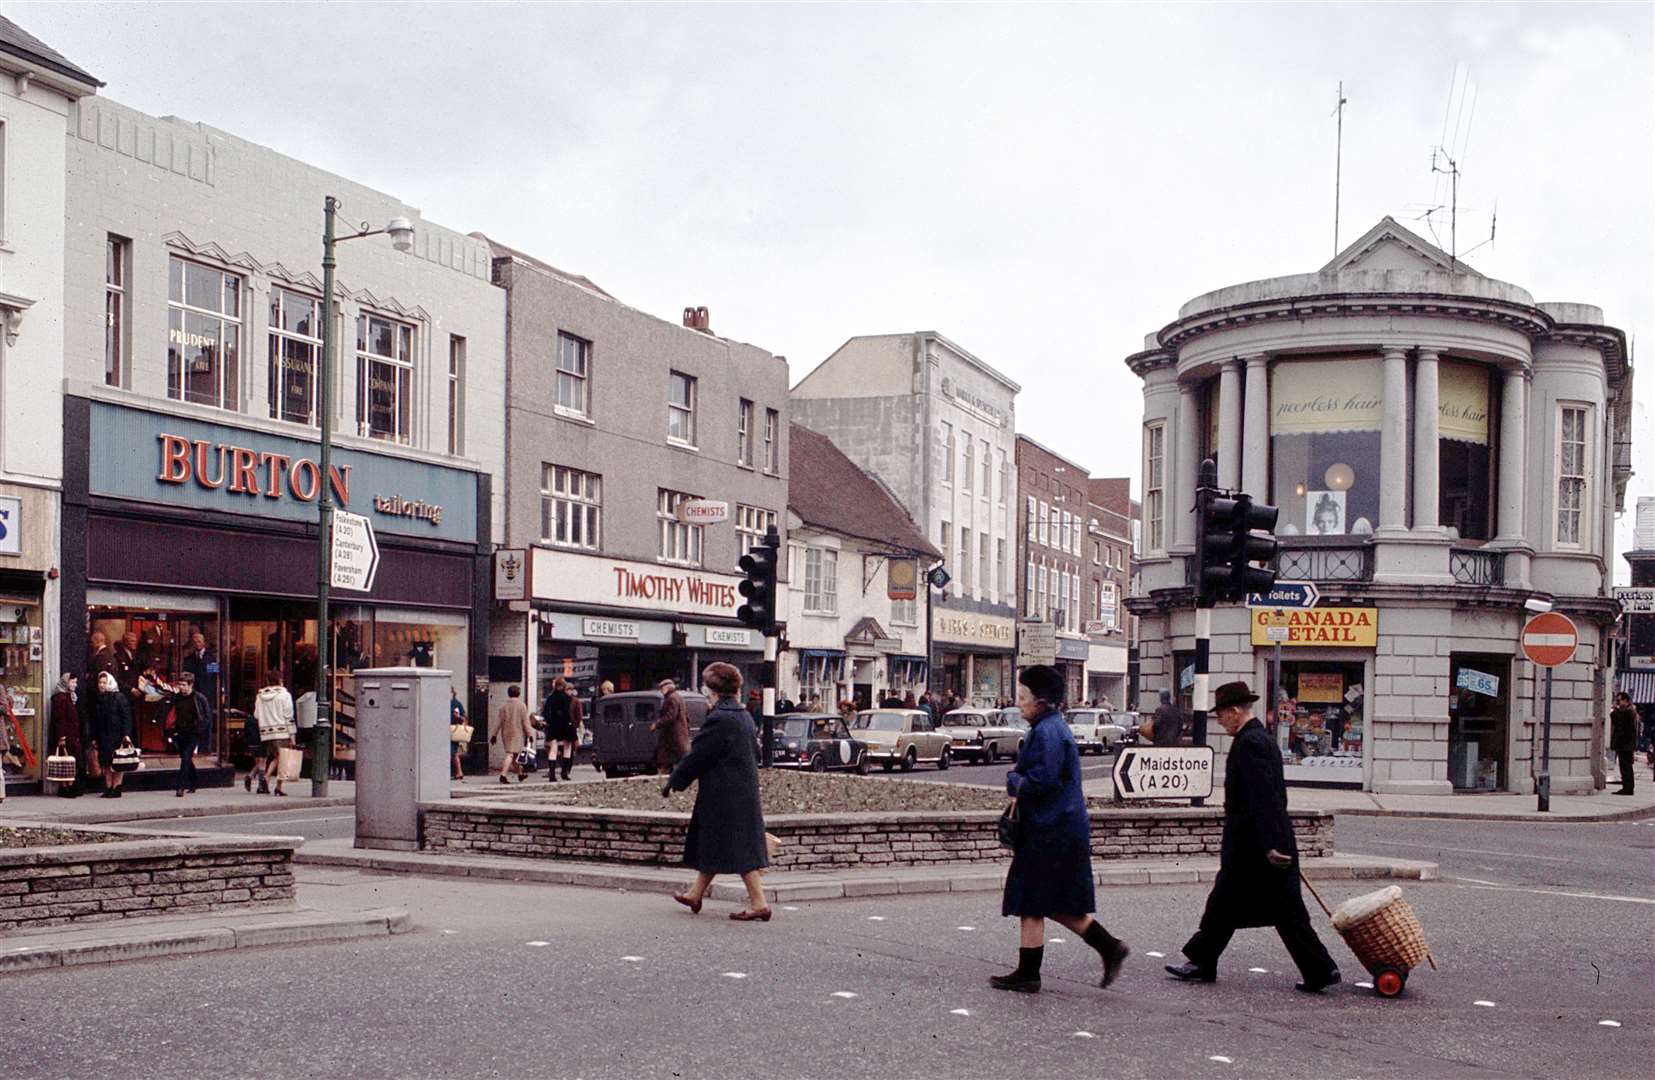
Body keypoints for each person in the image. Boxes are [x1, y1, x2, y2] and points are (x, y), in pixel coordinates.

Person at [1166, 680, 1340, 994]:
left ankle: (1321, 969)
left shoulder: (1251, 743)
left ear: (1235, 711)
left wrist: (1272, 845)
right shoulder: (1256, 738)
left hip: (1257, 846)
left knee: (1283, 912)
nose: (1219, 721)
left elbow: (1266, 797)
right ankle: (1203, 961)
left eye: (1221, 714)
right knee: (1227, 903)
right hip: (1256, 842)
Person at [991, 664, 1129, 993]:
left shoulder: (1047, 732)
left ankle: (1031, 973)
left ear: (1040, 701)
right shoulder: (1051, 728)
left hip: (1050, 829)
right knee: (1044, 900)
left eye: (1023, 697)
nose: (1019, 702)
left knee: (1033, 899)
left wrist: (1014, 780)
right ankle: (1107, 947)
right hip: (1056, 827)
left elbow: (1042, 780)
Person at [663, 662, 770, 921]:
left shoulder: (720, 719)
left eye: (705, 686)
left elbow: (697, 756)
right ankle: (694, 894)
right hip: (738, 791)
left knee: (738, 848)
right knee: (712, 844)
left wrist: (674, 781)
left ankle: (759, 904)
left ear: (712, 690)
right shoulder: (742, 716)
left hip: (724, 795)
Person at [166, 672, 212, 798]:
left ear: (190, 685)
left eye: (183, 685)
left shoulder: (199, 698)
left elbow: (207, 717)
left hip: (193, 733)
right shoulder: (176, 697)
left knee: (186, 758)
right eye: (179, 684)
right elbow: (170, 713)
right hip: (180, 732)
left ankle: (180, 786)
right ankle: (194, 782)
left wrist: (200, 730)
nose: (181, 687)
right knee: (185, 758)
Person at [93, 671, 133, 798]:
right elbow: (96, 719)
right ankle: (108, 787)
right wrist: (94, 737)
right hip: (103, 735)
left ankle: (117, 787)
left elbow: (126, 716)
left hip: (117, 735)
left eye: (104, 682)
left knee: (118, 762)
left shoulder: (118, 697)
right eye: (100, 682)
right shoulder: (99, 698)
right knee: (105, 763)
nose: (102, 685)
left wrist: (126, 734)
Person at [253, 682, 296, 796]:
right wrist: (292, 735)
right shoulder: (285, 695)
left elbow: (256, 715)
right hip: (282, 731)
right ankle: (275, 784)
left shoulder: (260, 696)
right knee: (283, 758)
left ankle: (267, 781)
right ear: (280, 681)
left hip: (265, 732)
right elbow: (288, 716)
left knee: (275, 758)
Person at [493, 685, 534, 785]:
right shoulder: (521, 706)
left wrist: (494, 734)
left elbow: (498, 722)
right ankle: (503, 775)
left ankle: (520, 774)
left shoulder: (503, 706)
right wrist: (530, 734)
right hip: (517, 732)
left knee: (515, 755)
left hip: (506, 732)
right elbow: (525, 722)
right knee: (511, 754)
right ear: (518, 694)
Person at [49, 673, 81, 797]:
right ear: (65, 682)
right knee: (66, 760)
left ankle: (68, 786)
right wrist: (61, 736)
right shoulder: (60, 698)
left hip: (71, 734)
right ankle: (65, 786)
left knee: (69, 761)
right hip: (65, 735)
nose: (74, 685)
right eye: (72, 682)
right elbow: (60, 718)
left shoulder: (70, 697)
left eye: (75, 682)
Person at [652, 679, 691, 774]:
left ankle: (664, 782)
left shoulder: (671, 698)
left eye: (661, 688)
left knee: (666, 762)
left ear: (666, 688)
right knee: (677, 761)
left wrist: (656, 724)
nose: (661, 691)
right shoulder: (679, 697)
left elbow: (670, 716)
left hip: (672, 738)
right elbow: (687, 717)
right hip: (679, 737)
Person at [1609, 692, 1637, 796]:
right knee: (1625, 766)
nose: (1618, 702)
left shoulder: (1628, 712)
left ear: (1625, 700)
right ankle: (1627, 787)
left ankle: (1628, 788)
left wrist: (1615, 710)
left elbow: (1618, 721)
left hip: (1626, 744)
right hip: (1625, 744)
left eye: (1619, 700)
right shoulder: (1628, 711)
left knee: (1626, 766)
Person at [450, 687, 468, 781]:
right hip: (451, 729)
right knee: (454, 753)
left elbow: (463, 718)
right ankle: (459, 772)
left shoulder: (455, 703)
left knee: (453, 752)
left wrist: (457, 717)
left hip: (452, 729)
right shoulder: (455, 703)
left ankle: (459, 772)